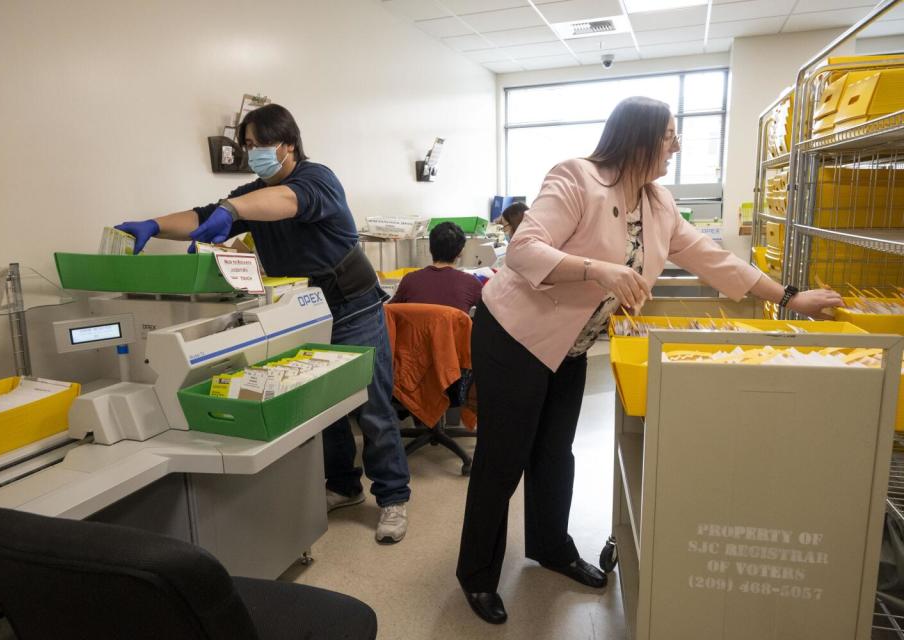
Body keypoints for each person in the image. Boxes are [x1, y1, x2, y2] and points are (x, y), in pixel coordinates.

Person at [455, 96, 843, 625]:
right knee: (503, 459)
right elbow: (524, 250)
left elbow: (714, 259)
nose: (677, 145)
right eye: (669, 135)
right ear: (637, 138)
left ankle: (551, 547)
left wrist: (788, 296)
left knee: (554, 453)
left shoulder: (657, 202)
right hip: (514, 337)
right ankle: (476, 576)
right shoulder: (576, 178)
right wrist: (598, 270)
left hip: (567, 347)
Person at [114, 104, 411, 544]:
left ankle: (392, 498)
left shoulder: (316, 180)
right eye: (248, 145)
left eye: (261, 144)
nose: (253, 152)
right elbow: (202, 216)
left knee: (371, 407)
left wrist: (231, 210)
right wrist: (154, 225)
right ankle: (344, 486)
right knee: (321, 405)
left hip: (354, 306)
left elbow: (286, 202)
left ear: (288, 144)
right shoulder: (253, 194)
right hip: (307, 311)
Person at [389, 221, 483, 314]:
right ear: (460, 252)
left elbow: (388, 313)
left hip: (418, 329)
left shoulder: (409, 280)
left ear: (430, 249)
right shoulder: (471, 283)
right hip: (453, 329)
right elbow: (491, 316)